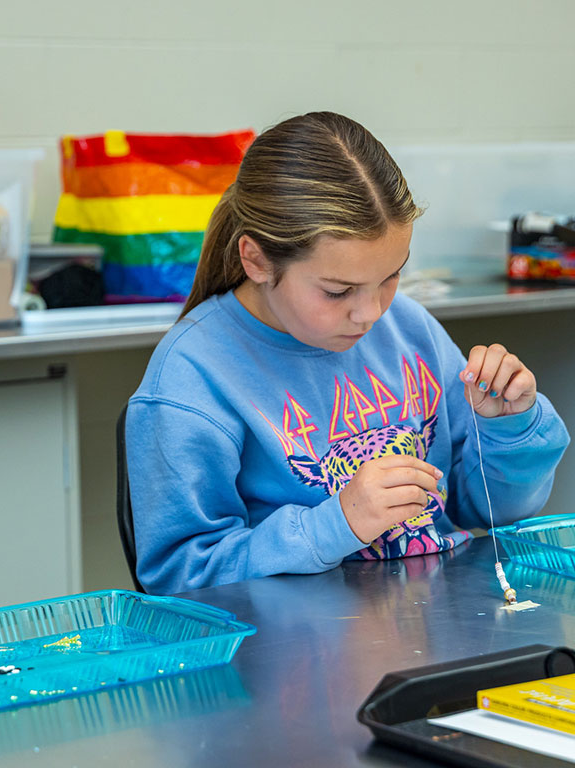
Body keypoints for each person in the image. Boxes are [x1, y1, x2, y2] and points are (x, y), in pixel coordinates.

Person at [126, 111, 570, 596]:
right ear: (255, 260)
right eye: (338, 291)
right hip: (298, 655)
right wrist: (336, 524)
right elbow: (180, 580)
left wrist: (508, 428)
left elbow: (484, 509)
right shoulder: (194, 376)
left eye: (391, 276)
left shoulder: (409, 329)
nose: (371, 312)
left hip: (434, 626)